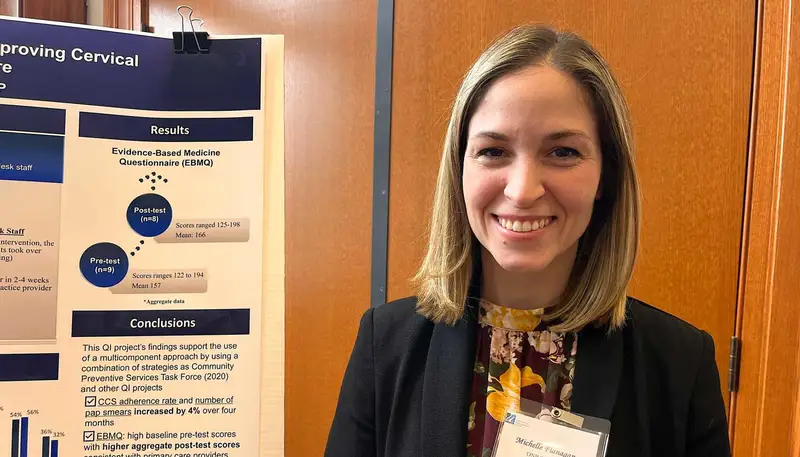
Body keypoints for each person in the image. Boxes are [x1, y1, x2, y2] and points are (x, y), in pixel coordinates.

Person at [324, 23, 731, 457]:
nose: (522, 190)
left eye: (563, 152)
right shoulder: (385, 345)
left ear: (604, 176)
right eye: (493, 151)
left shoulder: (678, 362)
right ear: (460, 170)